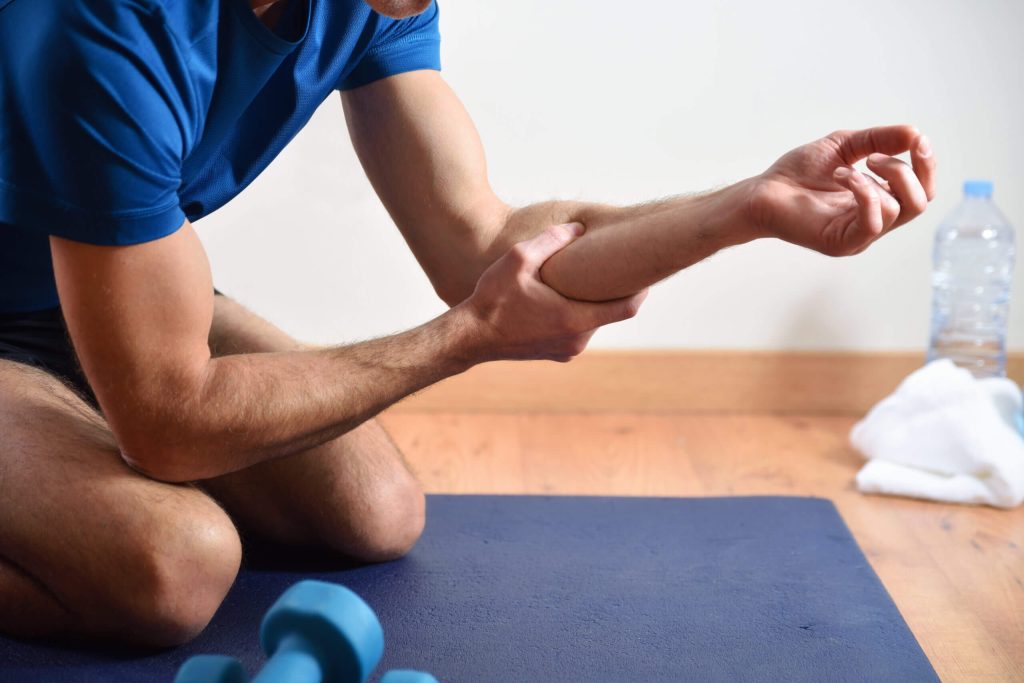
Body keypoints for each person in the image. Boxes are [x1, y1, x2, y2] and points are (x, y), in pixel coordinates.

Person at [0, 0, 936, 646]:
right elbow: (168, 422)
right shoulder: (103, 24)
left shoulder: (373, 4)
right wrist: (465, 338)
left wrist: (749, 208)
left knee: (375, 508)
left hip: (96, 301)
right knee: (172, 567)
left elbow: (484, 247)